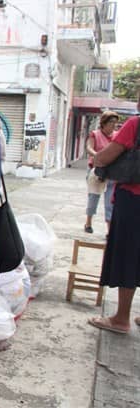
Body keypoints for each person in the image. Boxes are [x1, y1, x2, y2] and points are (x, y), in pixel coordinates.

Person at [88, 93, 140, 334]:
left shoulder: (135, 124)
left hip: (134, 199)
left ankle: (121, 318)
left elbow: (106, 156)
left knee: (128, 256)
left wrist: (97, 159)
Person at [84, 111, 119, 234]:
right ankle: (88, 222)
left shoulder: (117, 136)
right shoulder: (95, 134)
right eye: (111, 122)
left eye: (115, 122)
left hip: (112, 171)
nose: (114, 125)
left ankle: (109, 229)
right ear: (103, 123)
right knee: (93, 197)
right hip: (97, 170)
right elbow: (89, 147)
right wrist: (98, 156)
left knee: (110, 201)